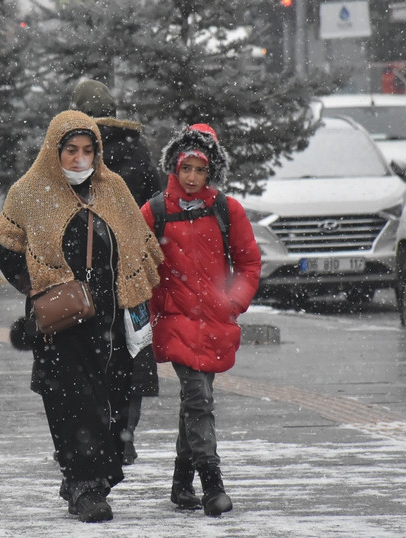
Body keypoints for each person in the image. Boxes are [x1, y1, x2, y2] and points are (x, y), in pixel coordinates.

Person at [0, 110, 164, 523]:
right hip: (62, 321)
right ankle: (84, 486)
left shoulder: (113, 189)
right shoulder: (30, 191)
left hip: (112, 317)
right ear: (55, 150)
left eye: (88, 150)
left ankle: (91, 479)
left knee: (116, 401)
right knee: (72, 402)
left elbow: (139, 244)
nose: (80, 159)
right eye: (71, 150)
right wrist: (34, 286)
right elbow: (4, 246)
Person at [140, 123, 261, 516]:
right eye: (186, 168)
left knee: (195, 402)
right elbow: (139, 265)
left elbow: (248, 263)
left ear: (212, 172)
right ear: (174, 166)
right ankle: (212, 484)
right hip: (175, 320)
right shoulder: (155, 212)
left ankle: (180, 483)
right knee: (199, 398)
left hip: (215, 320)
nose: (192, 177)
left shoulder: (227, 210)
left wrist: (233, 303)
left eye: (200, 170)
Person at [70, 78, 162, 465]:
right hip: (131, 276)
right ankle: (125, 434)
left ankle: (91, 437)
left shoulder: (75, 154)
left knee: (86, 359)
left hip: (87, 277)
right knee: (133, 352)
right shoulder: (139, 151)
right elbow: (154, 210)